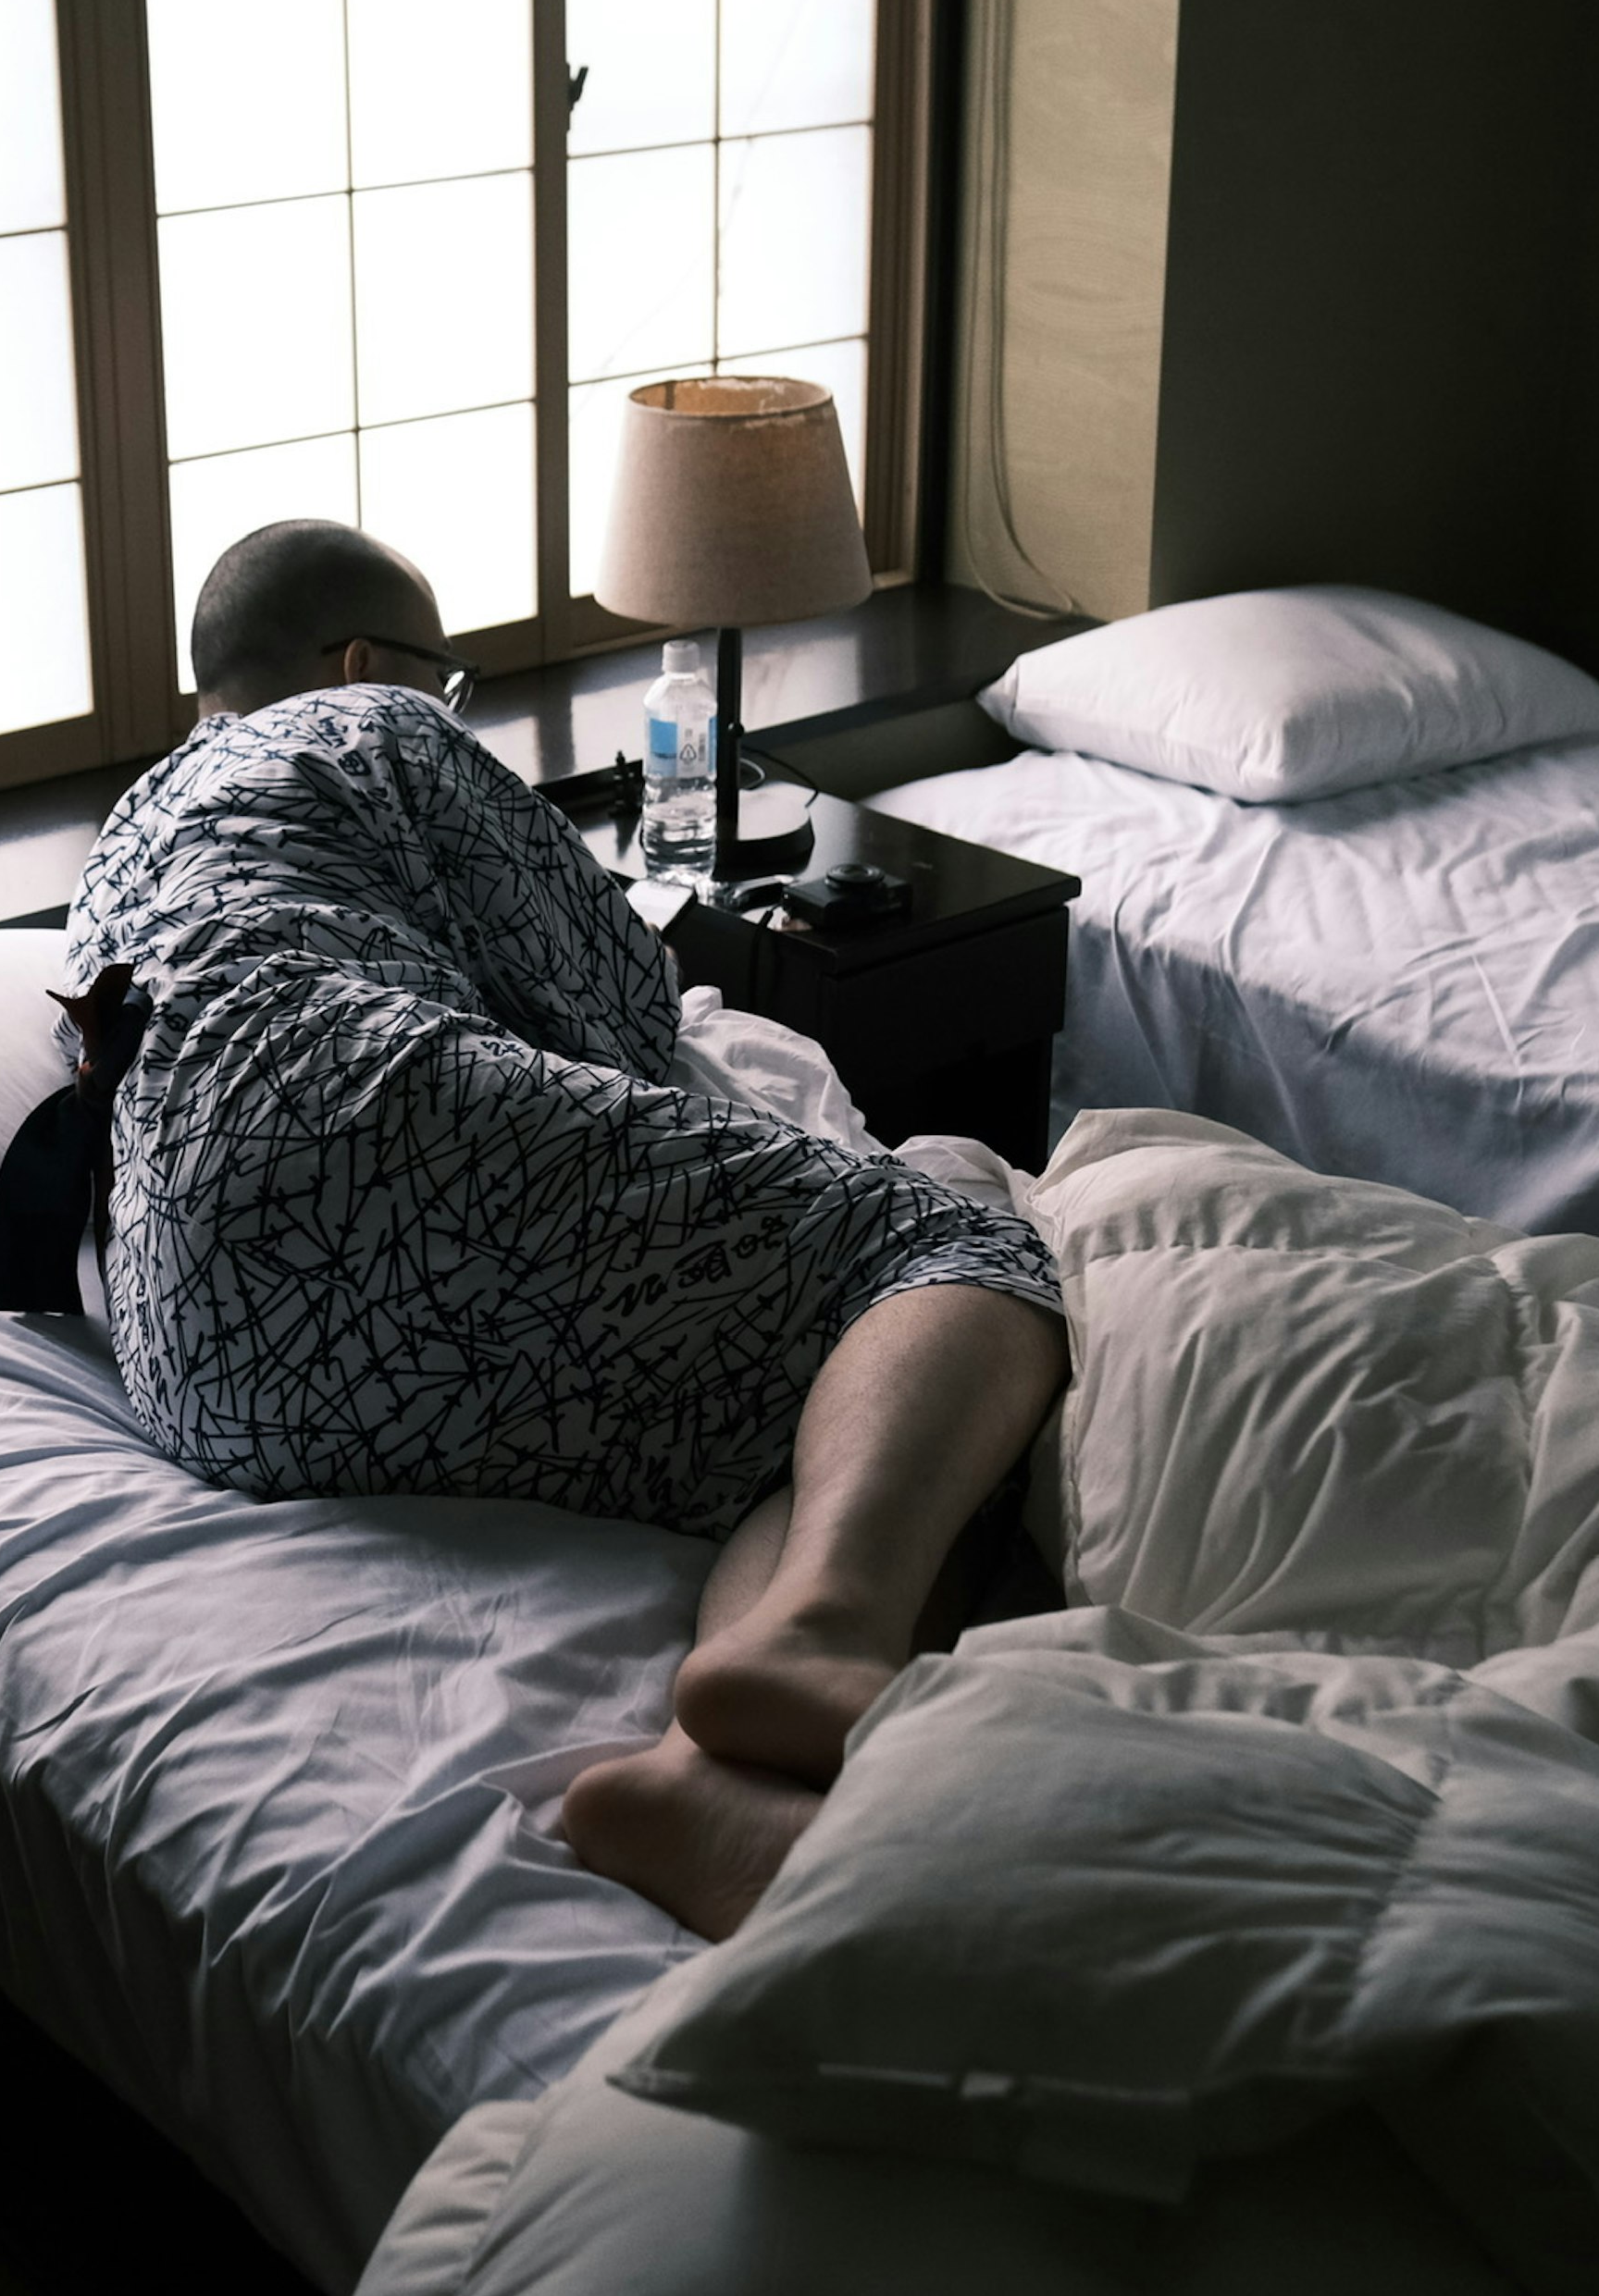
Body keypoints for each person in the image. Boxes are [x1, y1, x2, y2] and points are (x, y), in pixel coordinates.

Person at [58, 519, 1071, 1936]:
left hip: (203, 1356)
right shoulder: (370, 724)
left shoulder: (125, 846)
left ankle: (709, 1781)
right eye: (445, 680)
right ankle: (824, 1632)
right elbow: (619, 1008)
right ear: (359, 662)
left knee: (813, 1406)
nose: (450, 707)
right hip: (366, 1127)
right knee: (951, 1251)